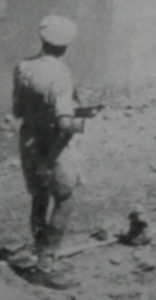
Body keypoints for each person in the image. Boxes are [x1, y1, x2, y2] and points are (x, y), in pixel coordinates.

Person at [12, 15, 94, 290]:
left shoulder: (23, 67)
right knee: (65, 200)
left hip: (29, 140)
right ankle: (46, 264)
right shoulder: (61, 75)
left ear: (43, 39)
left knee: (39, 196)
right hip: (53, 146)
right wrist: (81, 120)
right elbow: (62, 122)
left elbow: (18, 110)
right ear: (66, 45)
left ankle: (38, 249)